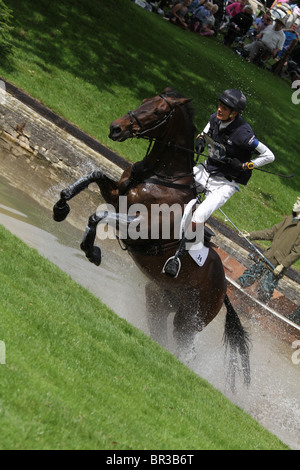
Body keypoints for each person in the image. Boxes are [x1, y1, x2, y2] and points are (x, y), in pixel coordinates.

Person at [163, 89, 275, 277]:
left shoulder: (244, 134)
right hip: (206, 170)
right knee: (174, 181)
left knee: (199, 216)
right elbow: (205, 131)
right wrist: (199, 140)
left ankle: (177, 257)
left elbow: (269, 155)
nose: (219, 109)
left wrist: (245, 165)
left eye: (225, 108)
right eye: (220, 105)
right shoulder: (215, 118)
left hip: (225, 184)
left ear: (234, 113)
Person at [237, 196, 300, 303]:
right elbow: (271, 232)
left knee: (264, 292)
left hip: (276, 266)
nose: (294, 204)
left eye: (298, 203)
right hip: (266, 257)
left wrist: (282, 265)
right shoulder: (289, 218)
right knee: (246, 278)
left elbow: (297, 252)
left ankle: (257, 313)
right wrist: (251, 235)